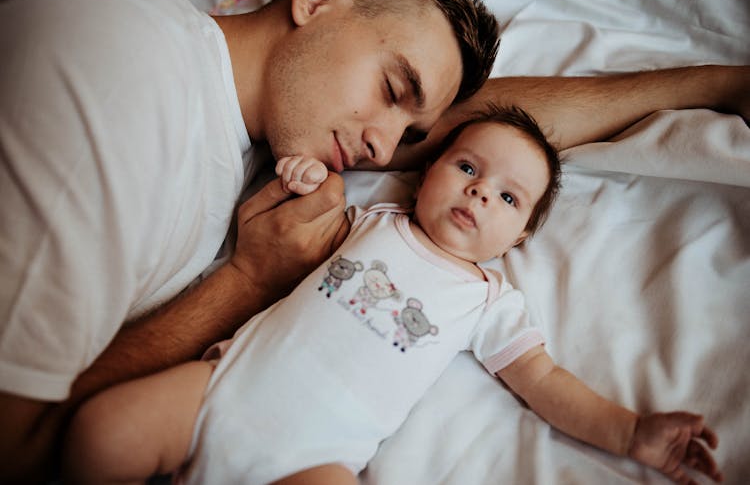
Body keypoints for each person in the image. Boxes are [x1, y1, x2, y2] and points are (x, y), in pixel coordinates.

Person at [0, 0, 746, 481]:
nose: (386, 153)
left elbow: (491, 139)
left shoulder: (273, 123)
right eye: (393, 91)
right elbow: (19, 453)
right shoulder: (114, 82)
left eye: (412, 131)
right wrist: (249, 282)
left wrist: (714, 86)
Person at [63, 106, 723, 485]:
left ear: (519, 234)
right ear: (428, 172)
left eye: (508, 197)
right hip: (221, 389)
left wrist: (631, 432)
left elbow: (545, 382)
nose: (479, 191)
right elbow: (307, 224)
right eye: (468, 167)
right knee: (98, 434)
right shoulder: (375, 221)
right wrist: (308, 176)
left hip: (316, 459)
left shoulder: (489, 299)